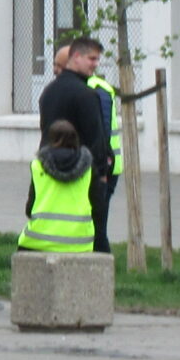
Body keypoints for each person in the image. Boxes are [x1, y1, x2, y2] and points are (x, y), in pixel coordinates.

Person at [40, 36, 119, 255]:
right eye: (91, 59)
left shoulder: (49, 92)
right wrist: (102, 174)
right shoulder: (86, 95)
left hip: (50, 168)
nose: (95, 64)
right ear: (76, 57)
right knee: (97, 234)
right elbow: (96, 138)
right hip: (84, 173)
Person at [20, 119, 99, 253]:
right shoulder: (88, 169)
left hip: (39, 239)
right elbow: (98, 205)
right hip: (80, 242)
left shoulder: (37, 165)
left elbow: (30, 208)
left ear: (50, 140)